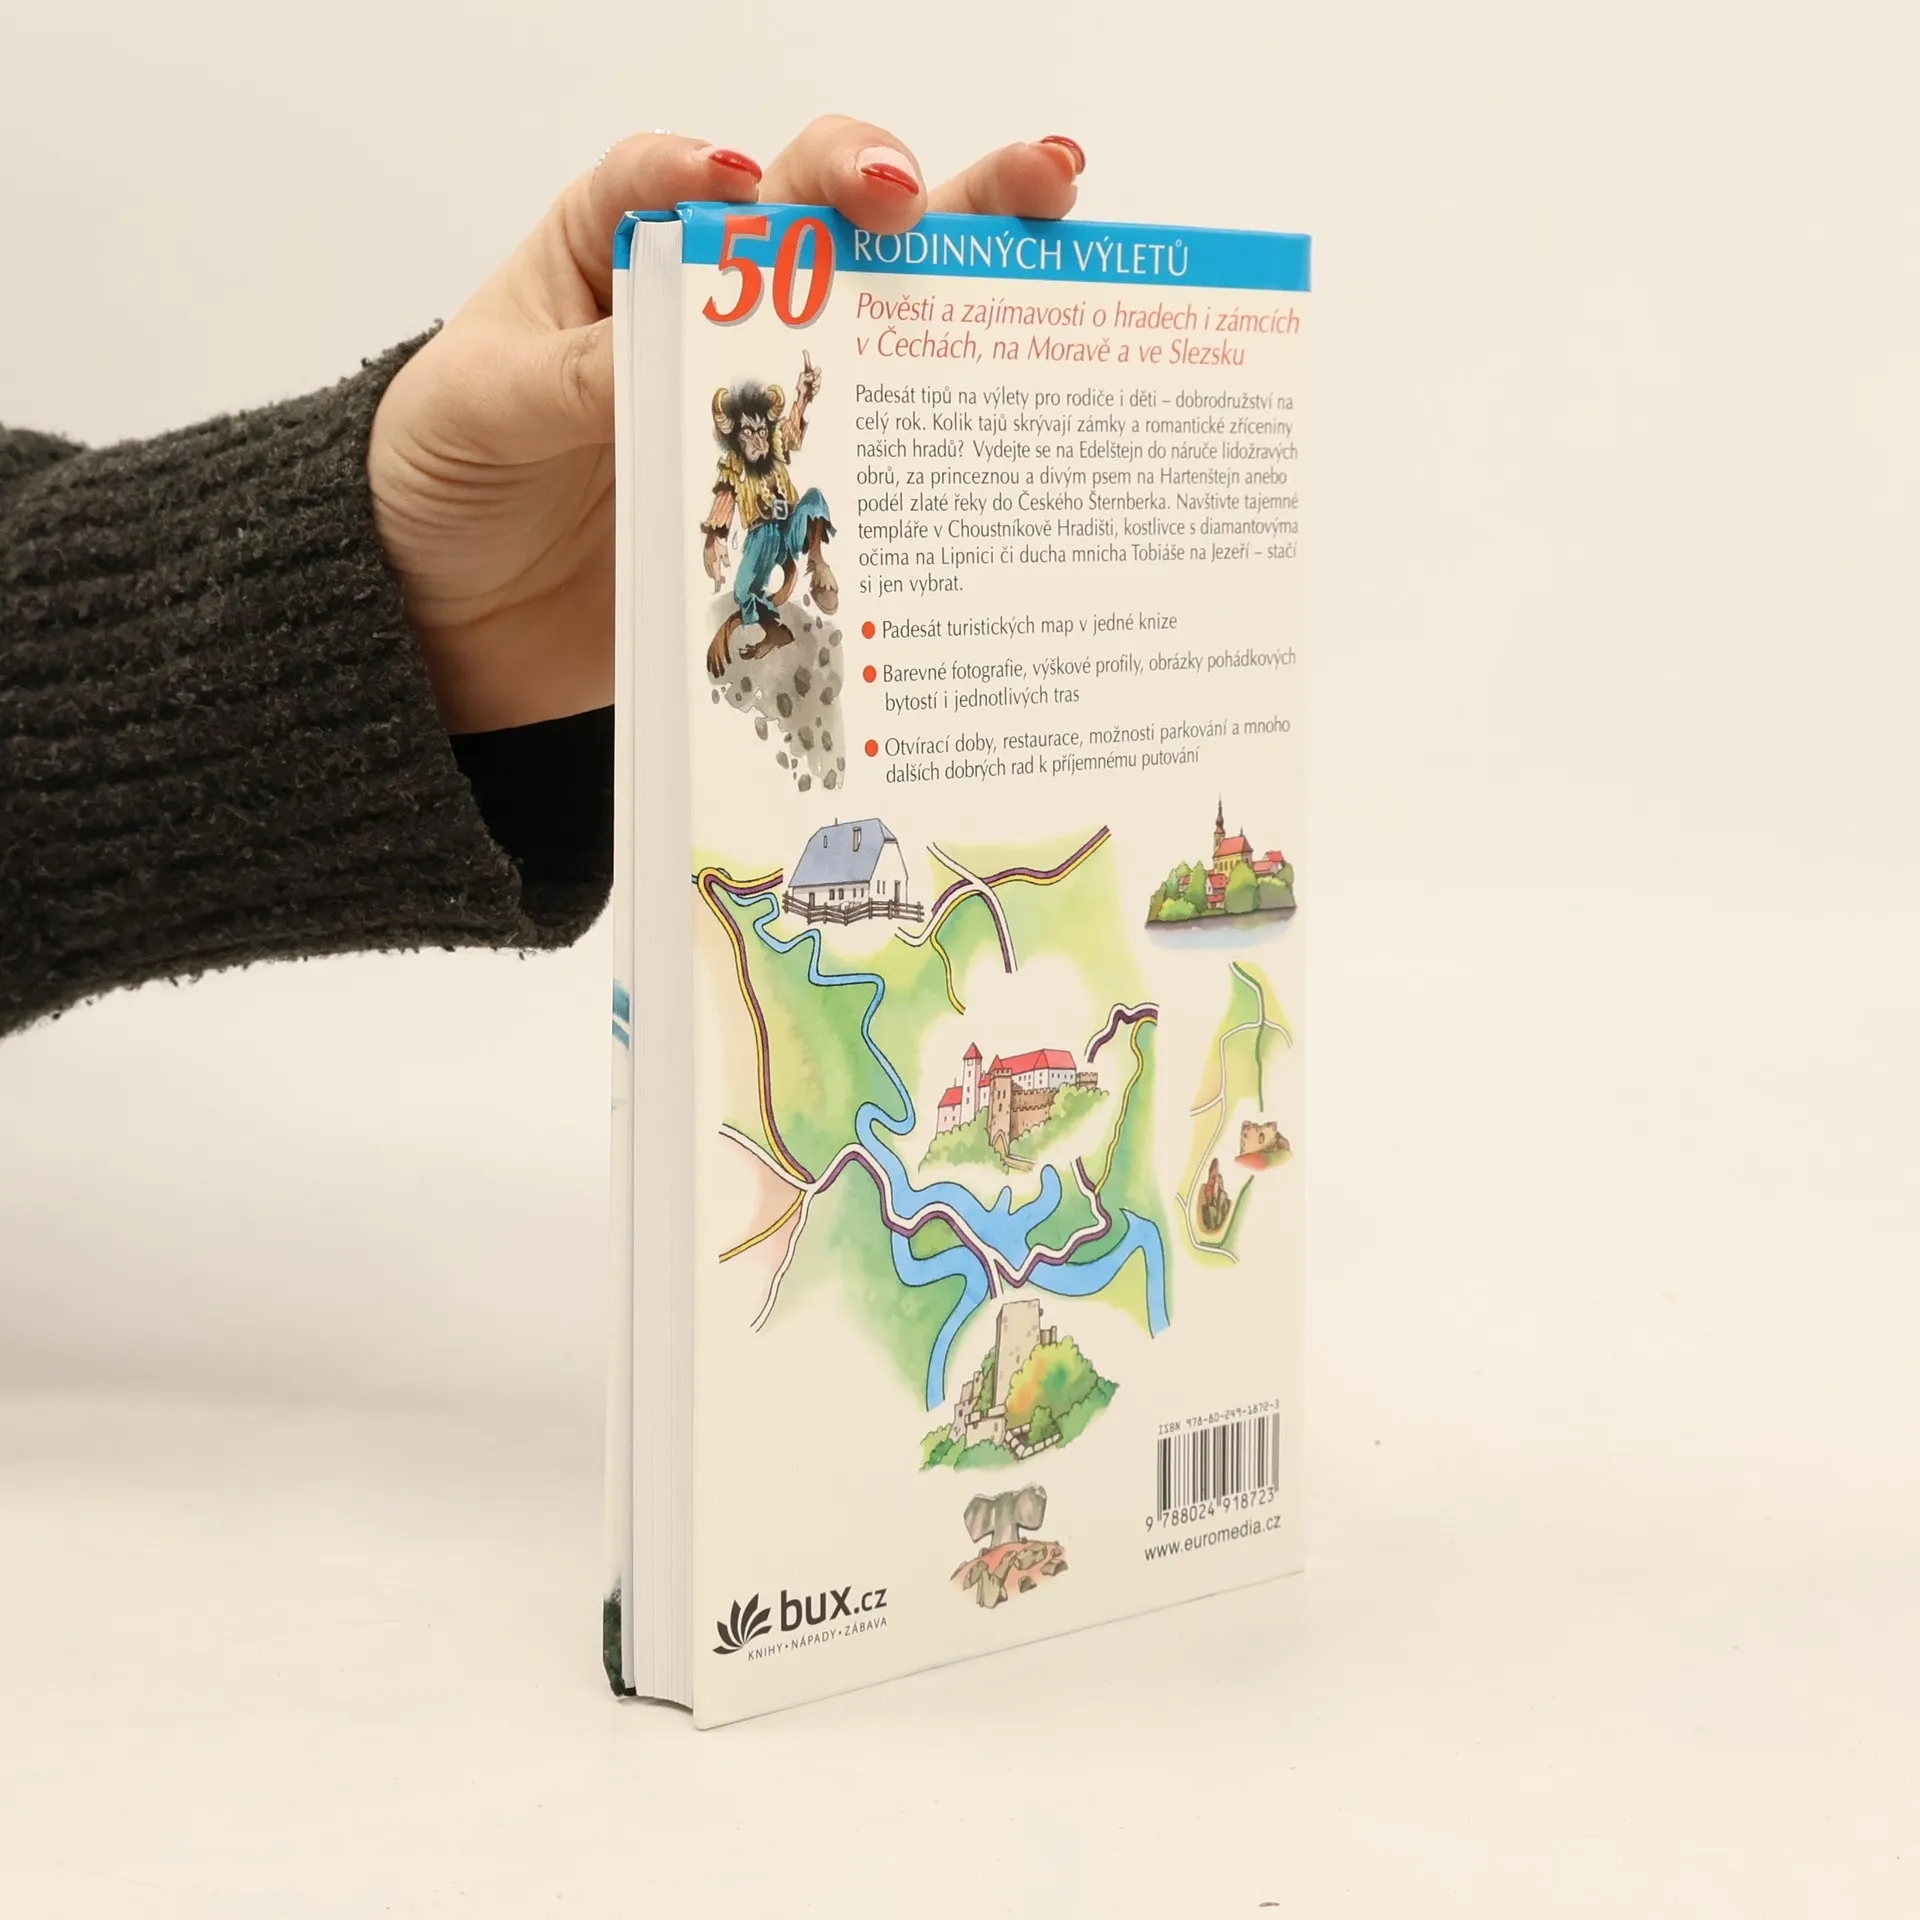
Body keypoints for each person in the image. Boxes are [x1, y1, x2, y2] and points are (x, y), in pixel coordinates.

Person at [0, 120, 1086, 1039]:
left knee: (811, 515)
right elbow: (723, 507)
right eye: (751, 424)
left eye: (764, 426)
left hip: (746, 542)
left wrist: (406, 587)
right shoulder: (733, 465)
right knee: (768, 563)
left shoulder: (773, 443)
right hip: (751, 555)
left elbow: (794, 433)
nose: (760, 433)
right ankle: (767, 595)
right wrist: (711, 550)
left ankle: (816, 568)